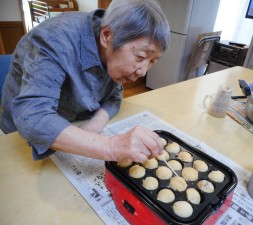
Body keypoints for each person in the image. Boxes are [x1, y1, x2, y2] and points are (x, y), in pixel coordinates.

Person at [0, 0, 170, 163]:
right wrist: (111, 147)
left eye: (153, 61)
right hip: (18, 140)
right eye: (141, 56)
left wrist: (93, 127)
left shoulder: (116, 49)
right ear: (106, 35)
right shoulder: (55, 39)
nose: (143, 71)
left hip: (75, 126)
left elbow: (114, 96)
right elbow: (34, 118)